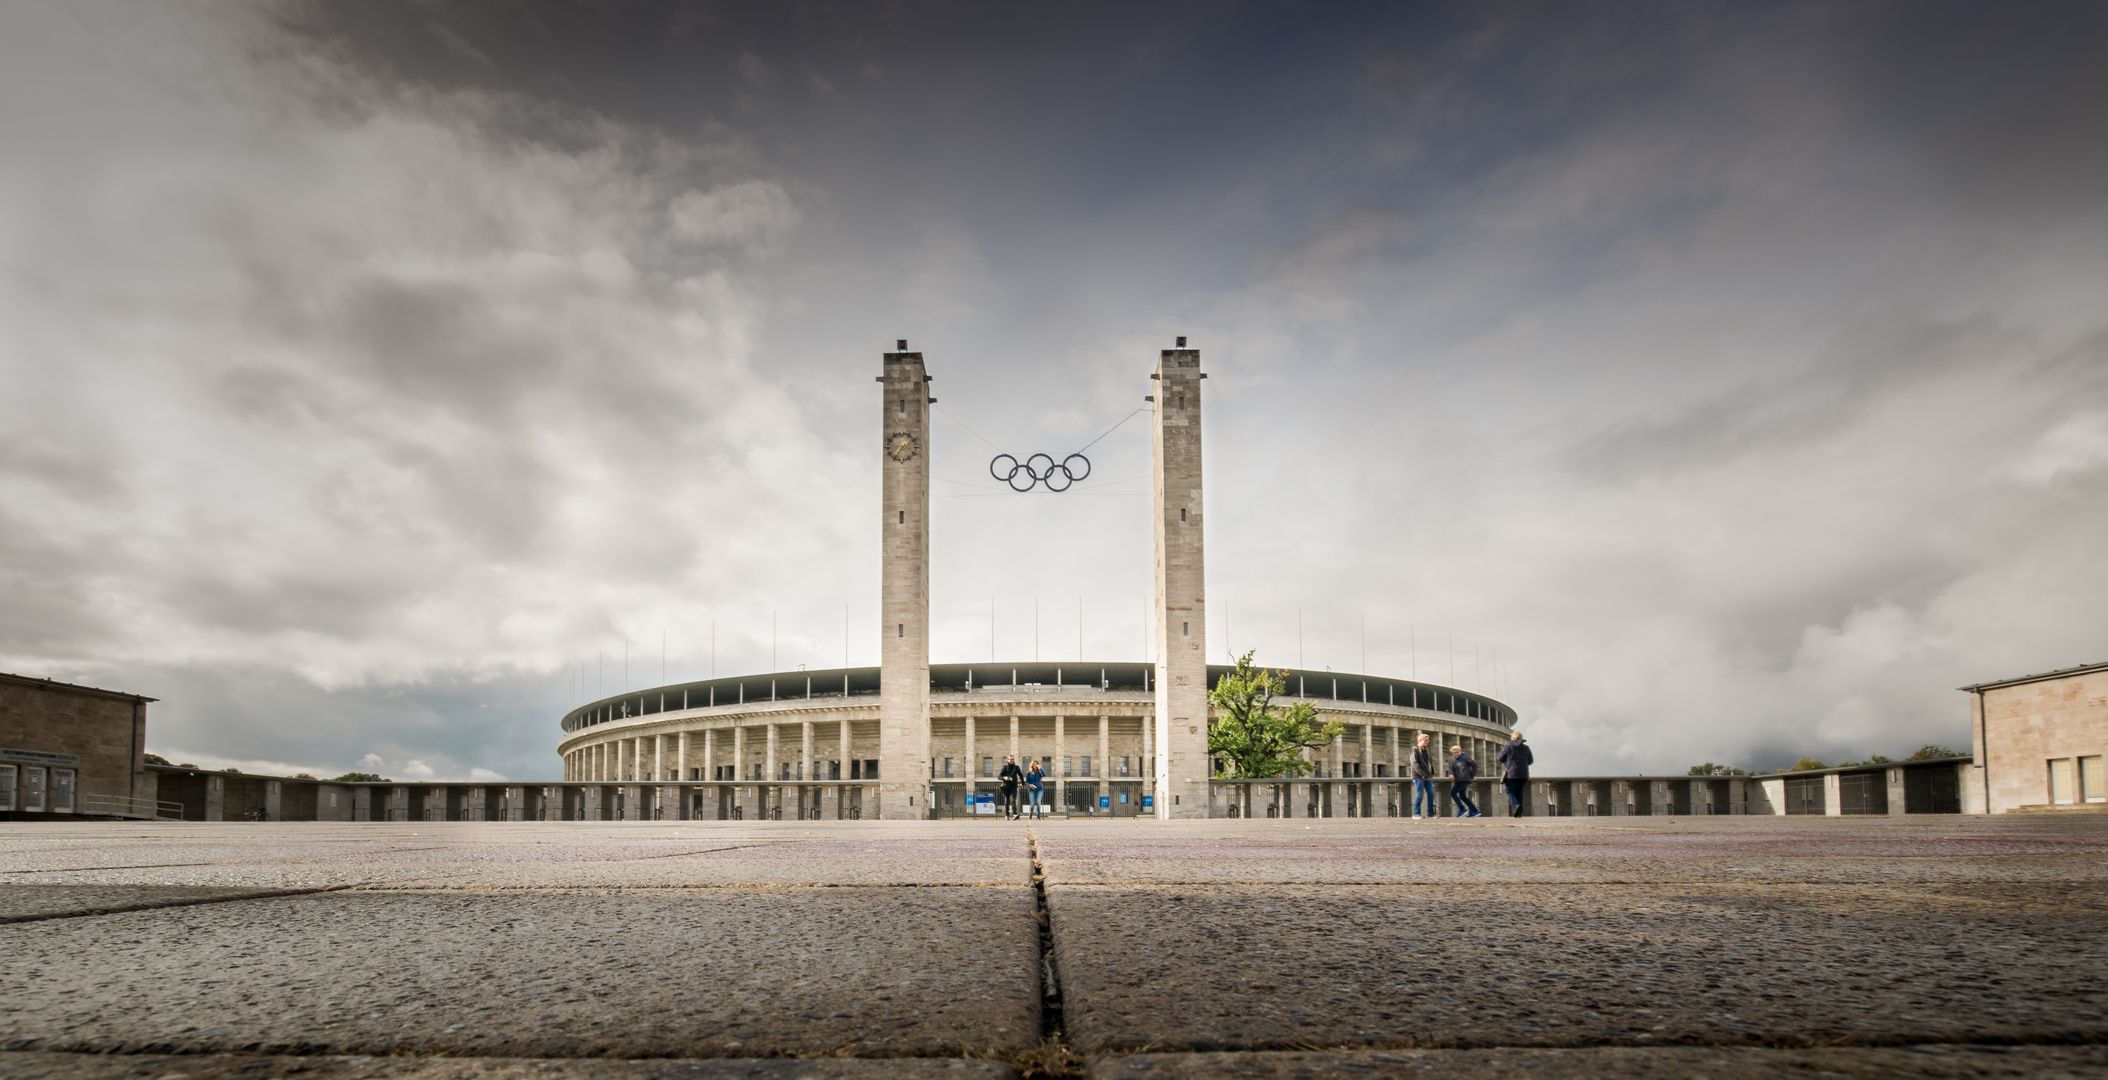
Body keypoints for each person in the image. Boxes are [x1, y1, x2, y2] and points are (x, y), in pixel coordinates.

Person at [1497, 731, 1533, 817]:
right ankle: (1519, 814)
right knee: (1519, 792)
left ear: (1512, 738)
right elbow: (1531, 761)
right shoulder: (1526, 748)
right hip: (1524, 773)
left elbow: (1500, 758)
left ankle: (1516, 805)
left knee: (1510, 791)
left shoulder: (1508, 746)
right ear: (1521, 738)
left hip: (1511, 773)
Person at [1447, 744, 1481, 817]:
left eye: (1457, 752)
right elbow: (1451, 768)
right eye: (1453, 753)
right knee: (1462, 796)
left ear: (1461, 751)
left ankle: (1462, 809)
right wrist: (1451, 774)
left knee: (1453, 793)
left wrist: (1472, 776)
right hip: (1458, 779)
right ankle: (1474, 811)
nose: (1455, 754)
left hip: (1464, 779)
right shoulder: (1455, 760)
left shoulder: (1465, 757)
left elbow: (1474, 764)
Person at [1410, 734, 1438, 819]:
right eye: (1425, 740)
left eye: (1428, 740)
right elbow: (1415, 764)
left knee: (1431, 793)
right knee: (1420, 794)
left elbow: (1429, 764)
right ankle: (1416, 813)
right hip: (1418, 776)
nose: (1427, 742)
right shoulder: (1415, 751)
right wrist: (1423, 775)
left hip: (1427, 776)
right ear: (1420, 740)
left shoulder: (1426, 751)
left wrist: (1431, 772)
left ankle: (1431, 813)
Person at [998, 754, 1024, 820]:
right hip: (1006, 786)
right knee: (1007, 801)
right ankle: (1006, 814)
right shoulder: (1005, 767)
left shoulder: (1016, 767)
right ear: (1007, 760)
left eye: (1013, 759)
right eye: (1010, 759)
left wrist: (1022, 783)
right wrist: (1004, 777)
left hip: (1014, 786)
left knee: (1013, 800)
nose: (1012, 760)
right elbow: (999, 776)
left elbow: (1021, 775)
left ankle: (1014, 814)